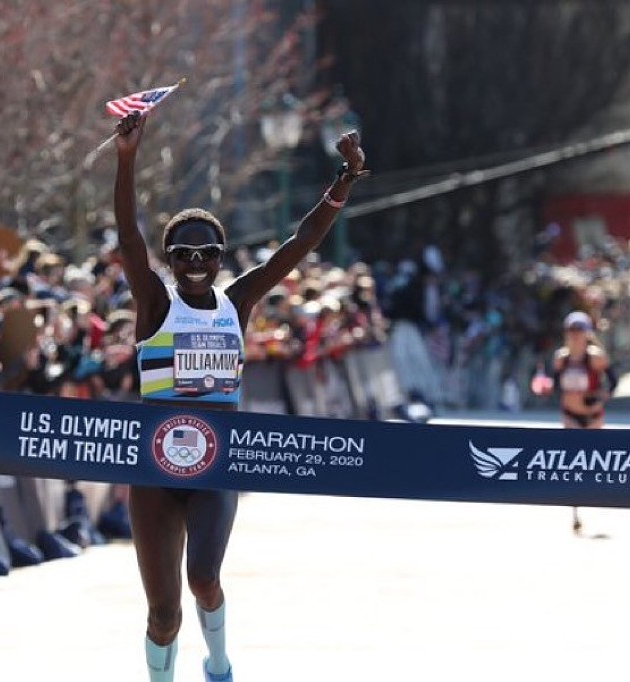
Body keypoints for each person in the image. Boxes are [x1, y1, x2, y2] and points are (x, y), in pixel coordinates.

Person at [114, 110, 366, 682]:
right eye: (184, 255)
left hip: (217, 464)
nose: (197, 265)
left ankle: (220, 665)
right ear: (171, 260)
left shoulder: (238, 303)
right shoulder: (156, 305)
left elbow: (297, 246)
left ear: (222, 257)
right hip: (155, 471)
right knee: (162, 614)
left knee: (204, 578)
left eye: (207, 254)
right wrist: (126, 161)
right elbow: (129, 238)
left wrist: (345, 180)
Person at [532, 310, 617, 535]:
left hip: (593, 415)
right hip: (570, 413)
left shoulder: (596, 356)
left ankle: (594, 498)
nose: (575, 336)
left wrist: (600, 396)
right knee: (572, 461)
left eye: (579, 331)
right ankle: (575, 511)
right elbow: (556, 384)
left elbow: (613, 380)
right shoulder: (561, 357)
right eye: (571, 331)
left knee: (593, 460)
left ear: (587, 333)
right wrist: (545, 386)